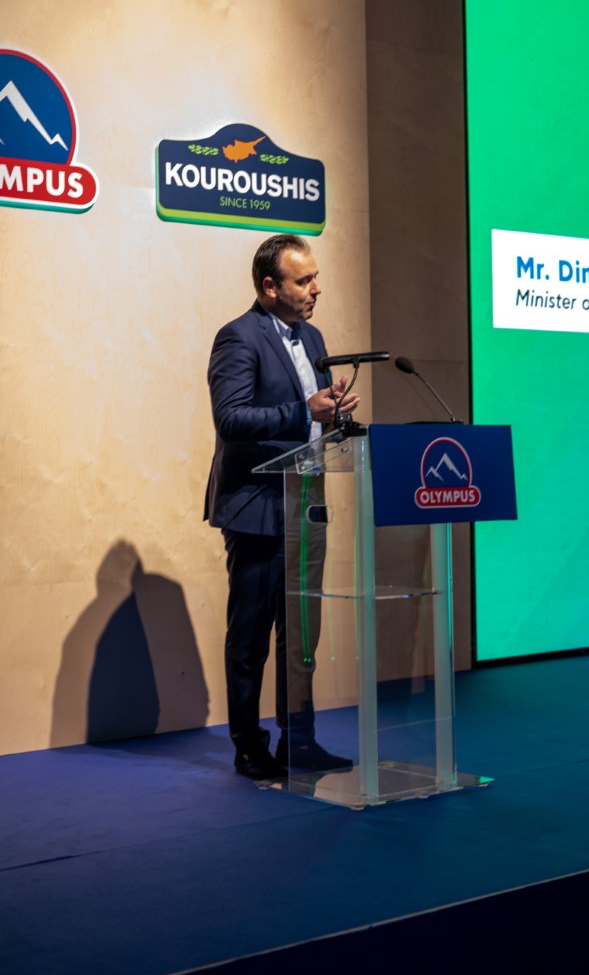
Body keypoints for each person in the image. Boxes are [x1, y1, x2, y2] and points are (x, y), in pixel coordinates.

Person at [205, 234, 359, 780]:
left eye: (316, 277)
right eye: (304, 280)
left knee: (301, 635)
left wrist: (336, 413)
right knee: (250, 637)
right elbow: (231, 419)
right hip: (258, 507)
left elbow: (312, 419)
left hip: (306, 504)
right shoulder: (238, 337)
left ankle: (300, 741)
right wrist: (304, 411)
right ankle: (250, 747)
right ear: (269, 286)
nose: (316, 289)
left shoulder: (312, 336)